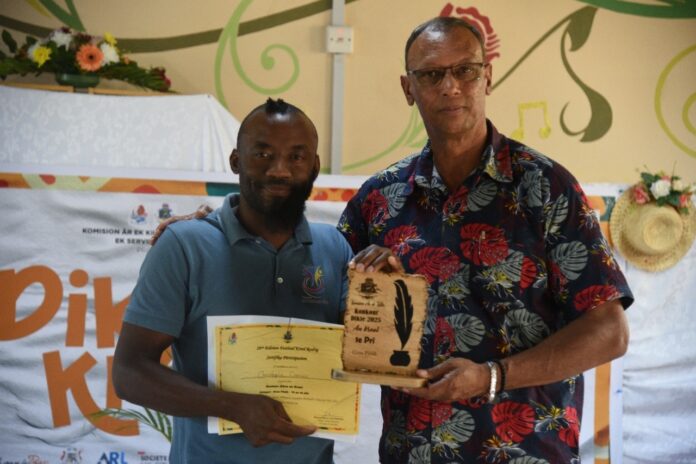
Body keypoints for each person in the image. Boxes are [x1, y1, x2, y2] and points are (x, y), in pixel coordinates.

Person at [338, 17, 633, 463]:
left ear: (488, 76)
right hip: (412, 452)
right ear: (407, 88)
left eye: (465, 70)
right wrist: (372, 287)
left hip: (527, 451)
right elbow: (330, 314)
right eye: (431, 74)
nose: (450, 86)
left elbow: (609, 332)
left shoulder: (545, 187)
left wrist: (492, 376)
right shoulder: (379, 200)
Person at [112, 98, 353, 464]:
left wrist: (389, 283)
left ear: (315, 166)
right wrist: (231, 406)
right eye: (263, 154)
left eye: (296, 156)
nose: (280, 170)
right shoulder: (184, 246)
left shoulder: (335, 248)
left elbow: (370, 353)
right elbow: (129, 372)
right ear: (236, 161)